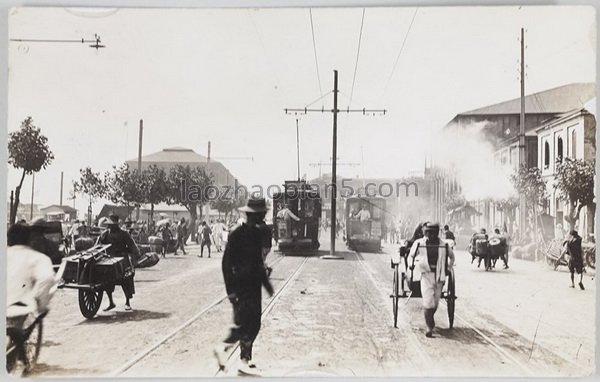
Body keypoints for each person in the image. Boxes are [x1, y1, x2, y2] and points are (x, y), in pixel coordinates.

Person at [214, 197, 274, 376]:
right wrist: (230, 291)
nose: (262, 216)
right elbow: (226, 264)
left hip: (254, 285)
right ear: (251, 215)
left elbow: (258, 262)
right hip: (240, 285)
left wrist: (266, 284)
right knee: (244, 323)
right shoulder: (236, 234)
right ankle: (229, 351)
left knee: (254, 323)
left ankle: (243, 359)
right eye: (260, 214)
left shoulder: (257, 234)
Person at [407, 223, 455, 338]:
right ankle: (429, 326)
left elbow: (452, 257)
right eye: (429, 232)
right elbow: (411, 256)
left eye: (434, 233)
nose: (431, 235)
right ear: (426, 232)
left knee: (435, 303)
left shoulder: (444, 245)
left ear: (437, 233)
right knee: (428, 301)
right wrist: (410, 265)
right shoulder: (419, 243)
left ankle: (429, 319)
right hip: (425, 275)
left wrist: (448, 268)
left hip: (439, 276)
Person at [7, 223, 57, 322]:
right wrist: (40, 303)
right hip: (22, 308)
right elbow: (47, 279)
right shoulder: (39, 258)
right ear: (29, 239)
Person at [97, 214, 138, 311]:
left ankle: (127, 302)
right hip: (109, 260)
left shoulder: (124, 234)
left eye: (112, 225)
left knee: (126, 280)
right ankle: (111, 302)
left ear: (116, 225)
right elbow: (98, 246)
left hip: (122, 260)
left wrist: (132, 255)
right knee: (106, 281)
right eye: (109, 225)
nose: (110, 226)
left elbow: (132, 247)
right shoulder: (105, 234)